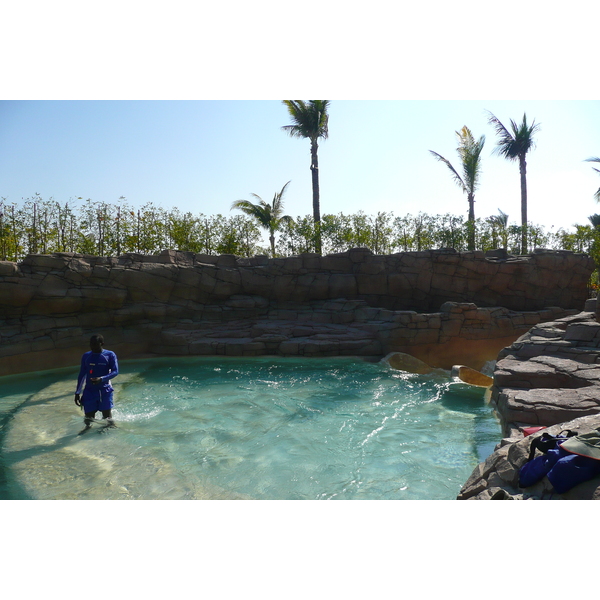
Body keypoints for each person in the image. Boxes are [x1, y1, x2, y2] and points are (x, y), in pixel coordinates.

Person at [75, 334, 119, 431]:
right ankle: (87, 429)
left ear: (102, 344)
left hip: (105, 390)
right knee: (88, 418)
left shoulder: (109, 355)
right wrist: (77, 393)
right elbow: (82, 375)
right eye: (91, 344)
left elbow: (115, 371)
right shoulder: (86, 356)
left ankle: (109, 431)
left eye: (95, 344)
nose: (93, 346)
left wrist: (102, 379)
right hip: (89, 391)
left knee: (107, 417)